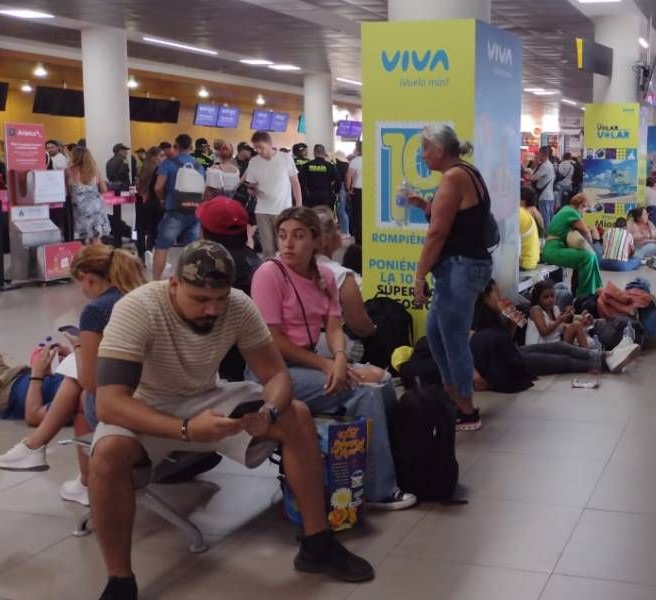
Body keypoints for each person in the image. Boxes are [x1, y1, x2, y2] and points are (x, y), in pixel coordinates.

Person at [88, 241, 377, 598]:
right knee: (107, 453)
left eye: (219, 299)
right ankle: (120, 581)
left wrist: (268, 411)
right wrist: (186, 430)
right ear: (174, 285)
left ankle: (317, 544)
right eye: (200, 299)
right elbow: (110, 403)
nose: (212, 309)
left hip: (207, 396)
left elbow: (276, 376)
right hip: (148, 405)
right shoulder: (138, 308)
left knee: (296, 415)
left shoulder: (237, 306)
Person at [248, 208, 414, 510]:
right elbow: (274, 341)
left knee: (384, 379)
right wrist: (328, 365)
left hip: (307, 365)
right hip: (272, 374)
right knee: (365, 391)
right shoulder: (269, 274)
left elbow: (335, 327)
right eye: (283, 236)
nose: (288, 244)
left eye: (298, 236)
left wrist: (338, 357)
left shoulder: (324, 275)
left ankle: (391, 468)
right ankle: (379, 490)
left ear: (315, 240)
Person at [0, 246, 146, 506]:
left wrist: (80, 346)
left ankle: (63, 467)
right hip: (155, 389)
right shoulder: (141, 295)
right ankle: (37, 451)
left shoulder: (98, 309)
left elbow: (92, 382)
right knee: (77, 383)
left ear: (88, 277)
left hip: (125, 402)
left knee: (80, 387)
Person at [409, 124, 495, 432]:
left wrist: (419, 276)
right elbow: (457, 218)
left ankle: (466, 409)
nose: (422, 154)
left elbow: (438, 233)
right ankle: (454, 393)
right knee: (436, 333)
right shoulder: (466, 172)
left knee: (453, 339)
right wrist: (423, 205)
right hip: (464, 266)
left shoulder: (453, 177)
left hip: (460, 268)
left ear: (439, 150)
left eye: (424, 148)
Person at [475, 280, 636, 376]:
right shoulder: (476, 326)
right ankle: (605, 362)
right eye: (496, 293)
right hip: (511, 361)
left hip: (515, 351)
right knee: (564, 361)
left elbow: (505, 342)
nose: (500, 296)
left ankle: (608, 354)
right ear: (485, 297)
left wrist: (512, 323)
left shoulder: (496, 318)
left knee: (562, 347)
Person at [197, 197, 263, 383]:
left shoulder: (206, 269)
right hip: (257, 359)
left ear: (204, 231)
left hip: (221, 371)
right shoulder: (255, 263)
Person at [313, 206, 377, 357]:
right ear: (326, 239)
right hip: (330, 345)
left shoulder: (286, 269)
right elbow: (361, 327)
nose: (340, 233)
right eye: (337, 228)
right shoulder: (342, 276)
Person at [152, 134, 206, 280]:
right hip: (194, 211)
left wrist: (162, 199)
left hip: (174, 211)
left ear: (176, 146)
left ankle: (156, 281)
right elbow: (202, 190)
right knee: (189, 249)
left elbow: (158, 187)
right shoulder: (198, 165)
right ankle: (185, 280)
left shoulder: (168, 163)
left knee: (162, 246)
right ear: (190, 147)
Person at [245, 131, 304, 259]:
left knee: (283, 248)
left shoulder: (285, 158)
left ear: (270, 144)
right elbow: (251, 186)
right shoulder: (254, 162)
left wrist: (299, 206)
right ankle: (270, 277)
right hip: (262, 211)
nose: (259, 151)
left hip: (282, 211)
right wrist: (252, 190)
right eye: (256, 148)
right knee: (268, 250)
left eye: (261, 147)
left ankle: (286, 275)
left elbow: (295, 182)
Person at [541, 193, 604, 298]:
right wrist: (591, 246)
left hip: (552, 249)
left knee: (590, 256)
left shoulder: (565, 210)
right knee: (588, 256)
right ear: (582, 205)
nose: (585, 212)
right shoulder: (572, 212)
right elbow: (586, 232)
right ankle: (584, 294)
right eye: (586, 208)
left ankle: (594, 289)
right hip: (554, 250)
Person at [527, 280, 593, 347]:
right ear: (538, 300)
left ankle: (588, 354)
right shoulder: (536, 310)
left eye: (552, 296)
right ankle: (589, 355)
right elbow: (544, 332)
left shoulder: (554, 309)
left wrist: (579, 318)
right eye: (546, 297)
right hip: (539, 349)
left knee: (577, 325)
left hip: (555, 344)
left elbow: (561, 327)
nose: (550, 299)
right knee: (577, 326)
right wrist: (559, 320)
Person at [67, 146, 111, 244]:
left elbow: (66, 192)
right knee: (96, 238)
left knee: (82, 239)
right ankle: (99, 258)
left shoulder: (69, 171)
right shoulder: (95, 171)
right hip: (96, 209)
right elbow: (104, 189)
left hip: (80, 211)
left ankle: (85, 258)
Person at [135, 146, 165, 257]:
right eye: (161, 156)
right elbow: (160, 188)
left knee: (140, 230)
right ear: (154, 157)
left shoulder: (142, 168)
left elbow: (138, 186)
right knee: (154, 231)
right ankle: (149, 252)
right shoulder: (160, 170)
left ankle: (141, 254)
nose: (163, 158)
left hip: (142, 202)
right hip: (156, 203)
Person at [301, 145, 340, 210]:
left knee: (312, 215)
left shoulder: (306, 166)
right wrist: (335, 192)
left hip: (311, 195)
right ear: (324, 153)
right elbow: (338, 181)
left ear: (314, 153)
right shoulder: (330, 166)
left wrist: (305, 193)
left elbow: (301, 181)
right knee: (326, 215)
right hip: (326, 195)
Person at [530, 146, 557, 227]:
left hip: (544, 196)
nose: (538, 156)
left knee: (545, 219)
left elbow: (533, 178)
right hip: (549, 195)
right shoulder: (549, 164)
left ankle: (546, 237)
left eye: (538, 154)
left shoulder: (544, 166)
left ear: (542, 154)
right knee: (549, 217)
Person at [519, 186, 542, 271]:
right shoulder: (534, 212)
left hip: (524, 262)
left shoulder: (520, 212)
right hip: (533, 259)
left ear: (523, 200)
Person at [344, 147, 363, 243]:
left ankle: (359, 240)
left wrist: (348, 189)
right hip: (371, 191)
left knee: (357, 216)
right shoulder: (372, 159)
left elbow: (348, 175)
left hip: (358, 191)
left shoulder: (355, 161)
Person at [333, 150, 351, 235]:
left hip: (340, 188)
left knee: (341, 210)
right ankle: (345, 230)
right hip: (345, 188)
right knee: (343, 210)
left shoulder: (337, 166)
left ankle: (345, 231)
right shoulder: (347, 165)